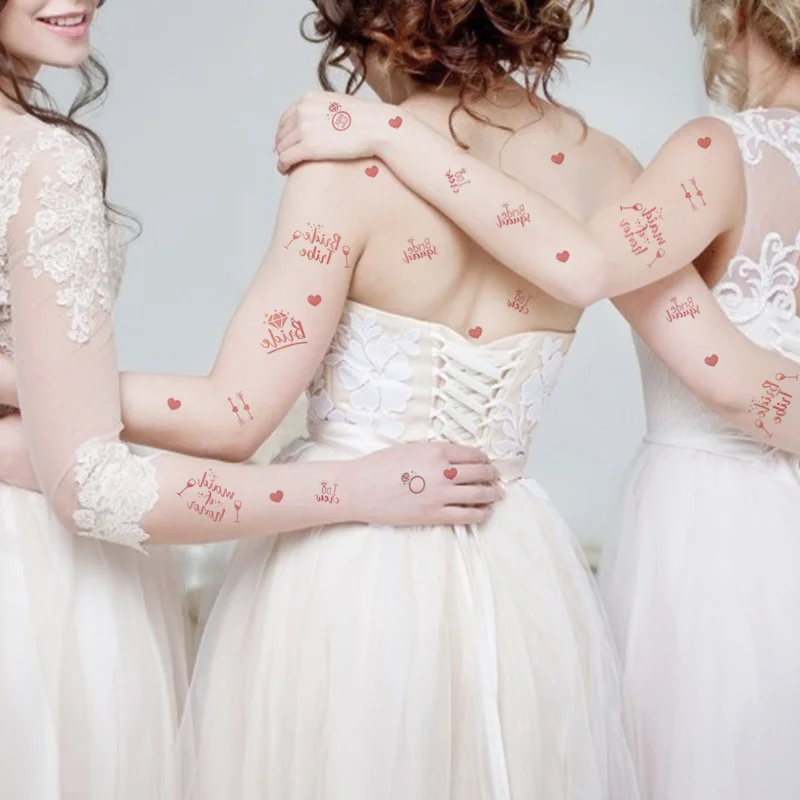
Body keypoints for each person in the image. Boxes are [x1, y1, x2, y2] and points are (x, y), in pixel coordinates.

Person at [275, 0, 800, 796]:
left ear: (738, 13)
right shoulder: (641, 160)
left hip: (723, 531)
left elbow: (585, 266)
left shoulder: (719, 151)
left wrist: (393, 134)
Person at [0, 2, 498, 798]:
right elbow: (91, 486)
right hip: (29, 584)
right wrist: (353, 488)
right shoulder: (41, 160)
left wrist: (48, 391)